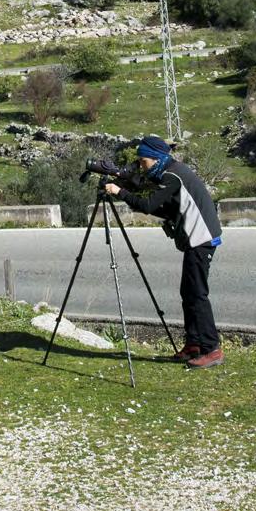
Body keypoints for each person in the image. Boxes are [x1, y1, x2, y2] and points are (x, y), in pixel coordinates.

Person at [104, 134, 224, 369]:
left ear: (155, 158)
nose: (141, 166)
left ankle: (212, 349)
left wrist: (119, 192)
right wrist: (128, 188)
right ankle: (194, 345)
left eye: (143, 162)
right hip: (197, 238)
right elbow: (163, 208)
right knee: (188, 292)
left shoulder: (172, 176)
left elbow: (149, 206)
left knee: (197, 294)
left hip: (201, 238)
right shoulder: (171, 171)